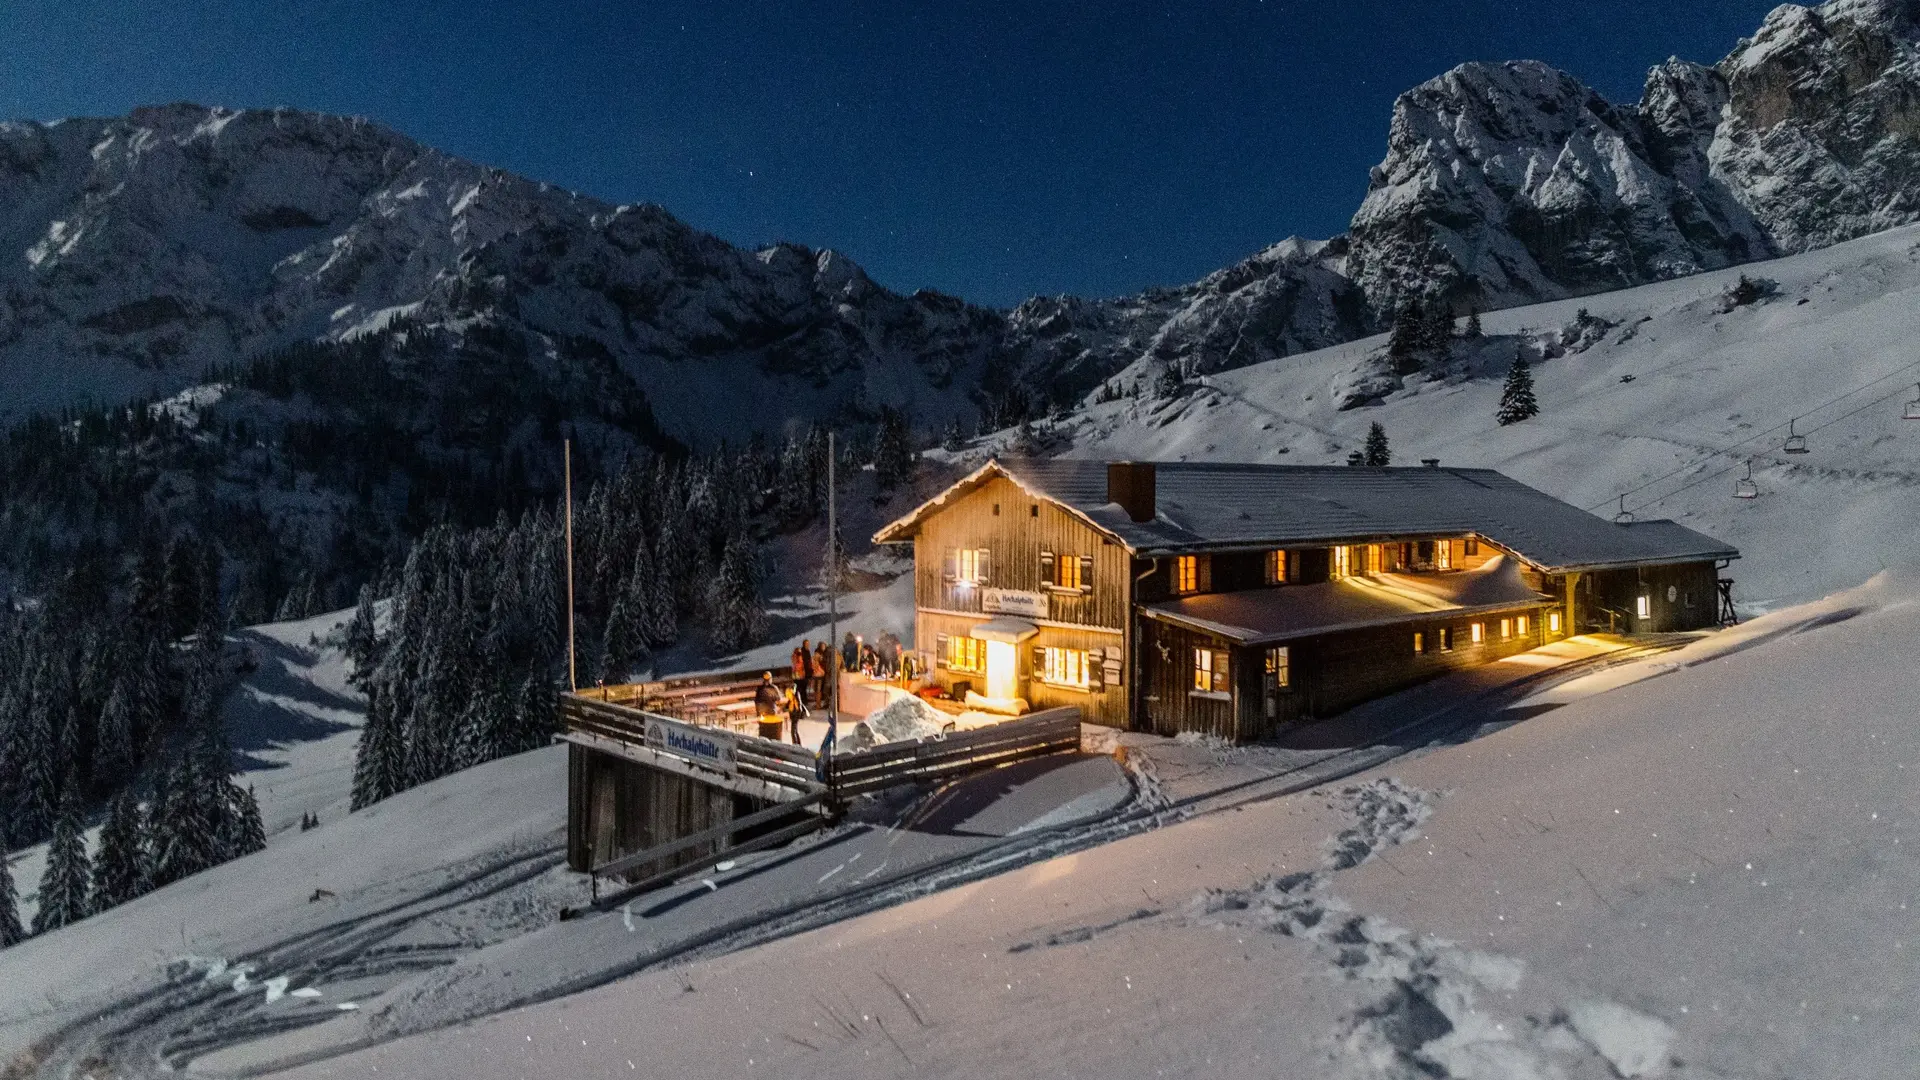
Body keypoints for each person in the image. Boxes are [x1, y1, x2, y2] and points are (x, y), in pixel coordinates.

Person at [753, 672, 783, 740]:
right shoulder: (774, 688)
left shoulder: (760, 689)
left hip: (763, 714)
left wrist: (758, 713)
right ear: (770, 679)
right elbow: (779, 699)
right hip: (772, 713)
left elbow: (756, 701)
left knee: (764, 734)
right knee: (773, 733)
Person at [810, 641, 829, 706]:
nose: (823, 647)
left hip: (819, 674)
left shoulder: (824, 654)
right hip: (819, 674)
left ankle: (818, 704)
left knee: (818, 690)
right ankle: (818, 704)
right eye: (822, 646)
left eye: (824, 646)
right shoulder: (820, 655)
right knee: (817, 690)